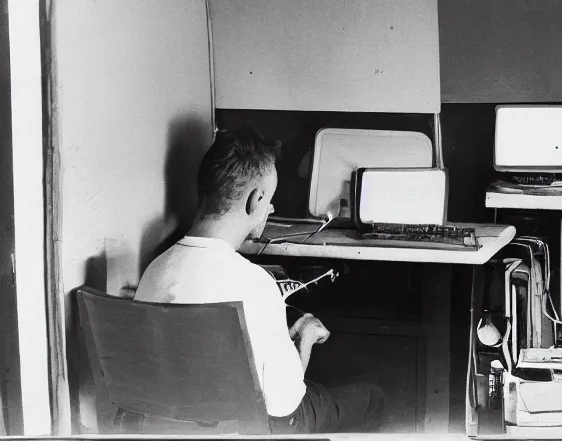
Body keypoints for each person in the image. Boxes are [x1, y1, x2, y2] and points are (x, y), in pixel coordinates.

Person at [134, 128, 385, 434]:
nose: (271, 209)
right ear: (256, 199)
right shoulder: (256, 283)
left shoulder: (154, 270)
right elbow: (285, 403)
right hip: (256, 428)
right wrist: (304, 337)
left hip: (175, 424)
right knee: (373, 398)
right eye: (270, 201)